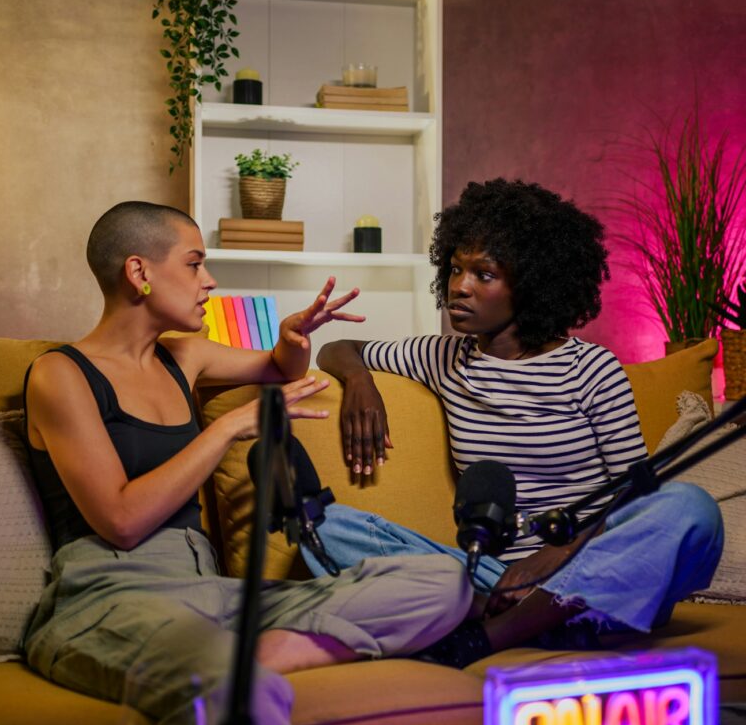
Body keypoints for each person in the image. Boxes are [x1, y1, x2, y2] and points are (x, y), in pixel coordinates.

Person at [22, 201, 472, 725]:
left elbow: (279, 369)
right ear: (139, 274)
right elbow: (122, 521)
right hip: (112, 595)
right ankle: (236, 690)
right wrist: (231, 427)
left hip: (211, 594)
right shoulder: (60, 375)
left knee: (446, 582)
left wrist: (293, 338)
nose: (208, 281)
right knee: (242, 697)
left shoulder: (182, 357)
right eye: (193, 264)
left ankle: (249, 657)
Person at [304, 179, 724, 661]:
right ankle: (531, 621)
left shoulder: (591, 370)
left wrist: (561, 552)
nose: (459, 286)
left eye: (484, 274)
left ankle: (493, 635)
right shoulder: (443, 357)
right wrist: (360, 382)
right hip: (493, 577)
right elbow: (337, 348)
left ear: (532, 284)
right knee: (330, 527)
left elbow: (633, 496)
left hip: (590, 569)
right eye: (456, 268)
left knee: (691, 508)